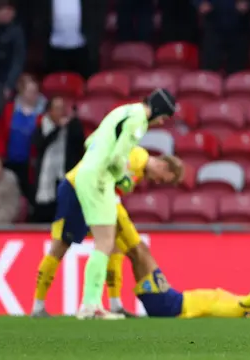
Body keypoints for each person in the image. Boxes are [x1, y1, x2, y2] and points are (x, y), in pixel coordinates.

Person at [31, 146, 183, 318]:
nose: (157, 182)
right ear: (163, 166)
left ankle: (115, 304)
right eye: (162, 179)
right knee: (60, 246)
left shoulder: (139, 170)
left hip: (95, 194)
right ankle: (38, 306)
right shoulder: (137, 156)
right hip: (77, 189)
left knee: (115, 246)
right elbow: (108, 171)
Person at [74, 88, 176, 320]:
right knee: (105, 243)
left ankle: (91, 304)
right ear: (159, 110)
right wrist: (124, 179)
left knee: (104, 243)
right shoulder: (138, 120)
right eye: (163, 117)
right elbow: (118, 158)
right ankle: (90, 306)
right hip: (100, 179)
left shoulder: (122, 111)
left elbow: (90, 141)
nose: (161, 121)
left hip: (87, 172)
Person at [128, 241, 250, 319]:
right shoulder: (239, 307)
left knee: (140, 251)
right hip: (172, 302)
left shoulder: (241, 308)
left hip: (172, 306)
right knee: (136, 254)